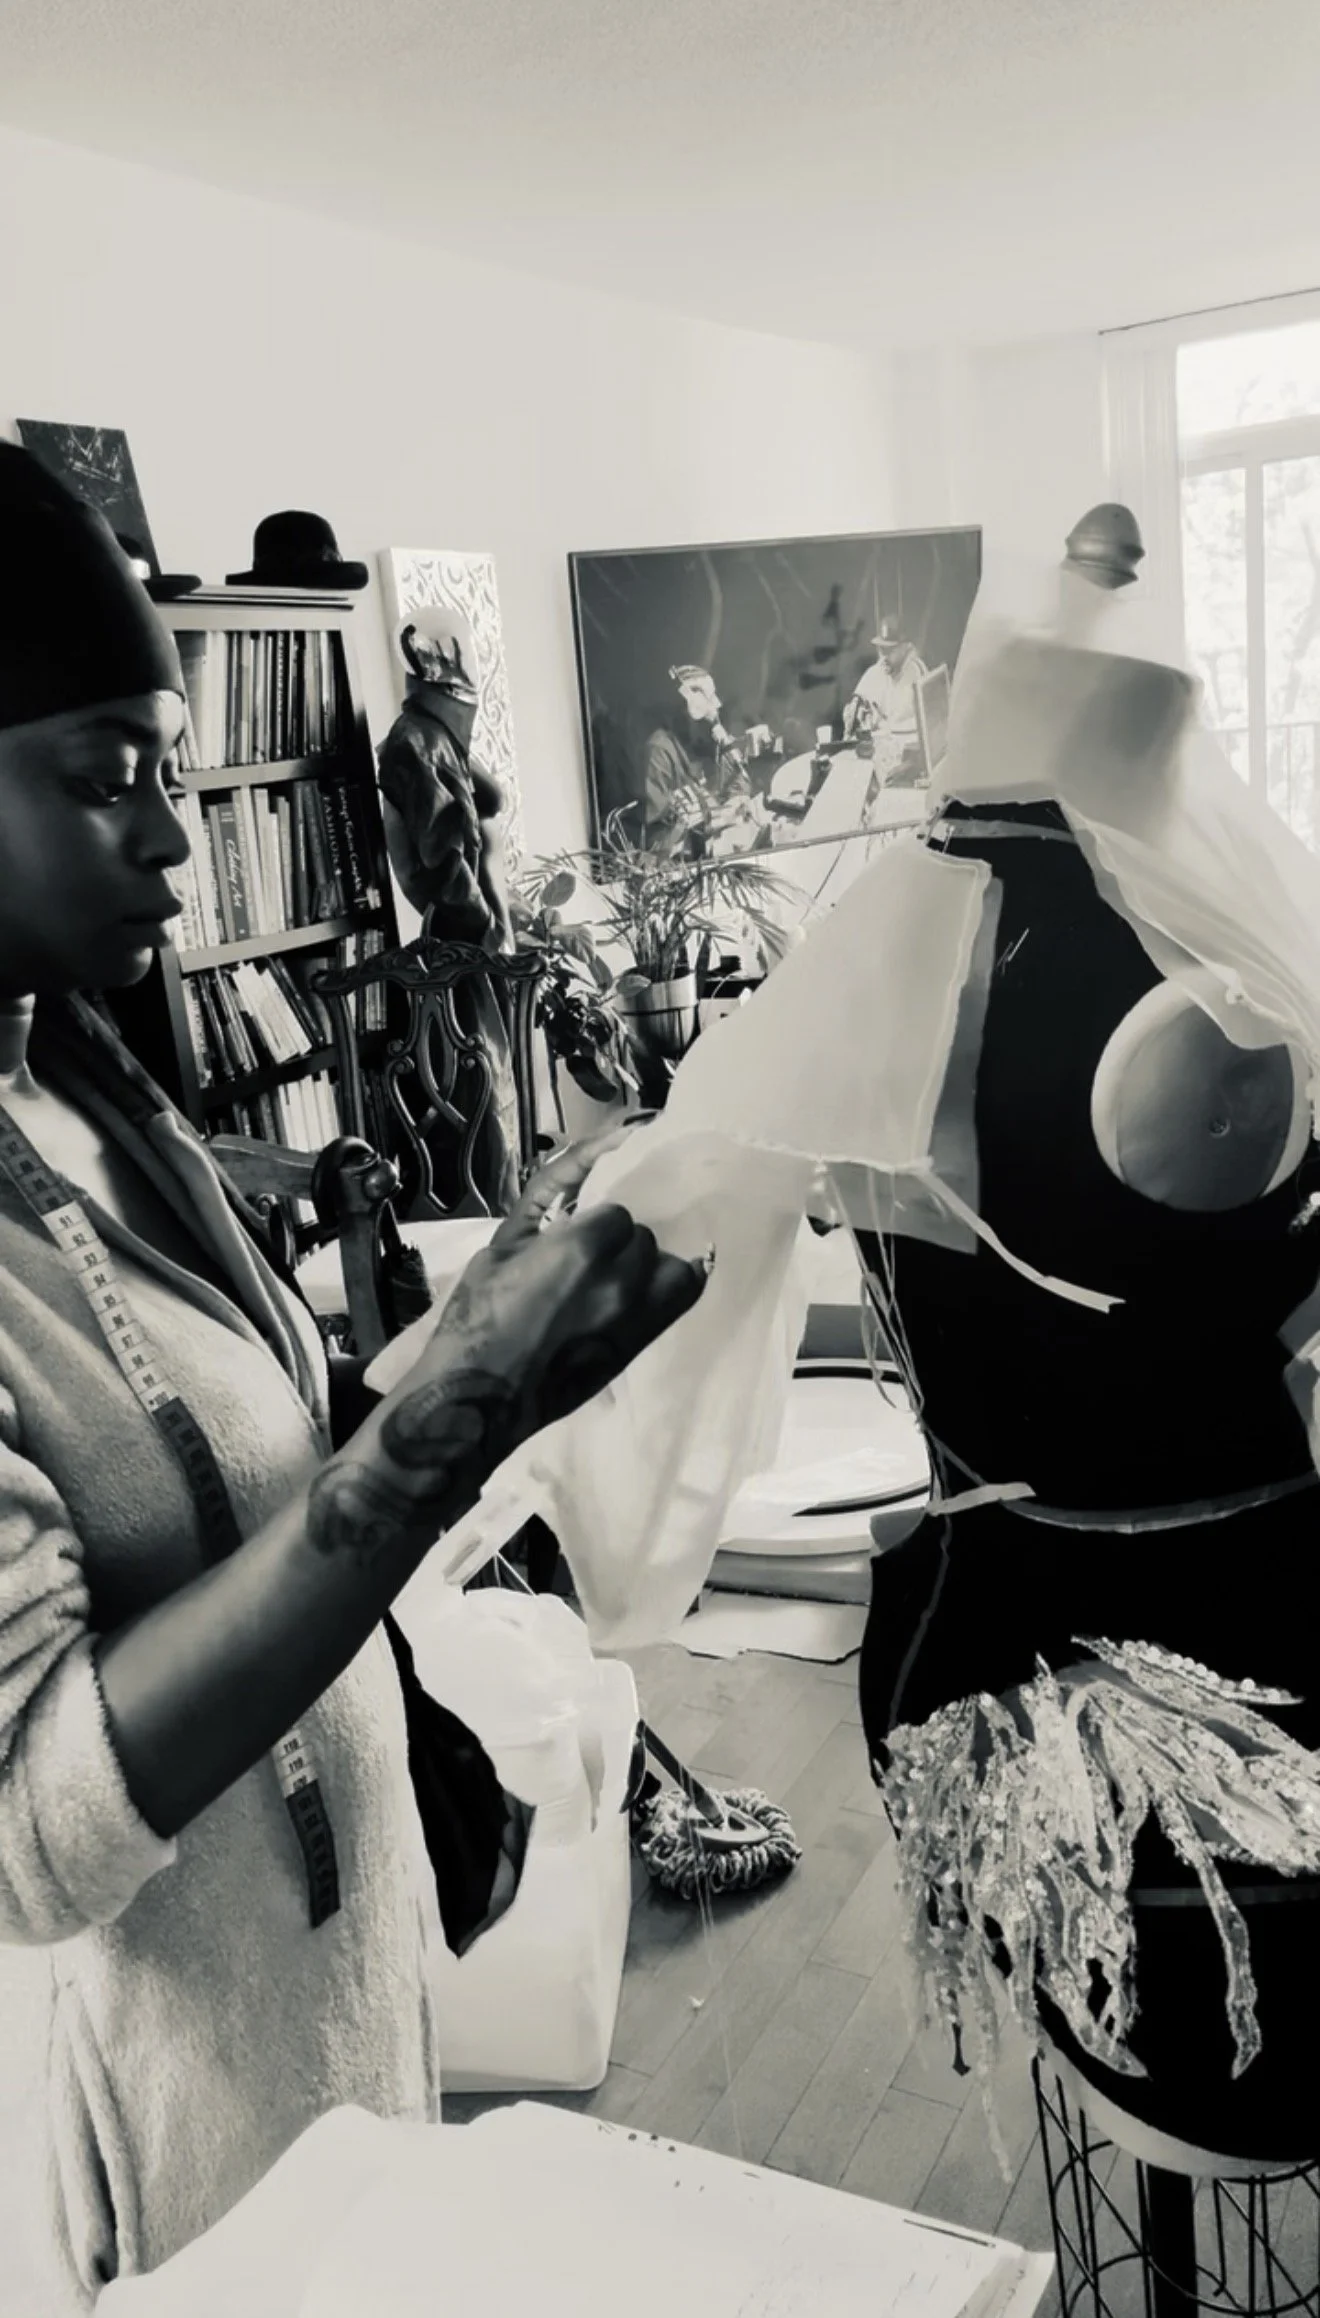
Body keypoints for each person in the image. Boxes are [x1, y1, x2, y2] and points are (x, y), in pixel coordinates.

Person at [0, 443, 707, 2310]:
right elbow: (30, 1834)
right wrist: (448, 1413)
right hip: (153, 2120)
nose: (172, 835)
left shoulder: (85, 1081)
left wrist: (509, 1320)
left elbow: (261, 1468)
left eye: (172, 770)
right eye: (101, 780)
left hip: (325, 1997)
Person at [376, 606, 521, 1213]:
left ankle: (504, 1213)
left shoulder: (434, 739)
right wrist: (487, 936)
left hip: (472, 944)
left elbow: (484, 805)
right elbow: (442, 864)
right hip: (460, 948)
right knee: (480, 1090)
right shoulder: (416, 743)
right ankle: (492, 1220)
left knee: (492, 1090)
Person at [641, 664, 766, 857]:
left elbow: (738, 780)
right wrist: (713, 819)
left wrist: (736, 802)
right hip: (690, 863)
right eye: (704, 721)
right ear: (684, 715)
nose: (711, 728)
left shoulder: (710, 740)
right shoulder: (659, 752)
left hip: (723, 844)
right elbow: (656, 838)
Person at [840, 615, 928, 775]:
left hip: (909, 762)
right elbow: (854, 712)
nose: (884, 656)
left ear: (905, 647)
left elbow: (931, 732)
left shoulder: (918, 672)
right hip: (878, 758)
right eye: (881, 649)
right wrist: (856, 717)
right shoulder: (875, 672)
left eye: (890, 650)